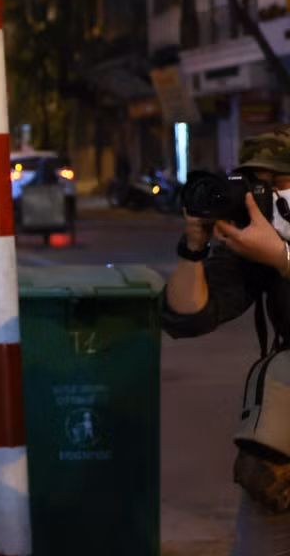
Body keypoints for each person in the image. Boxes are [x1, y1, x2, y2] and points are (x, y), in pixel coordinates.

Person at [162, 128, 290, 555]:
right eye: (255, 184)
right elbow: (188, 317)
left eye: (278, 182)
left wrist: (282, 259)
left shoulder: (274, 247)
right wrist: (194, 246)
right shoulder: (259, 239)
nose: (264, 195)